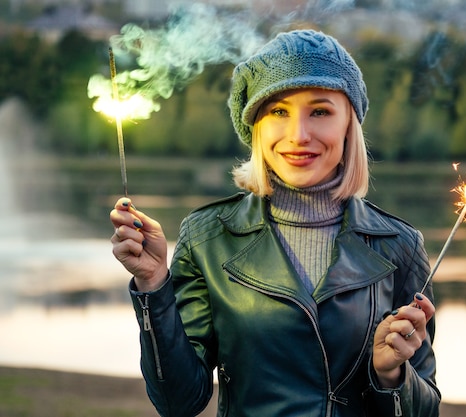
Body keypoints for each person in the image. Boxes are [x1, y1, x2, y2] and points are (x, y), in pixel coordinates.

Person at [110, 29, 440, 417]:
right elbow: (178, 402)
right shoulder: (207, 237)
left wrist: (391, 375)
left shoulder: (400, 245)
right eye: (278, 112)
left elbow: (425, 409)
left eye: (320, 111)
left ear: (349, 123)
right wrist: (153, 285)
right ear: (255, 127)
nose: (299, 135)